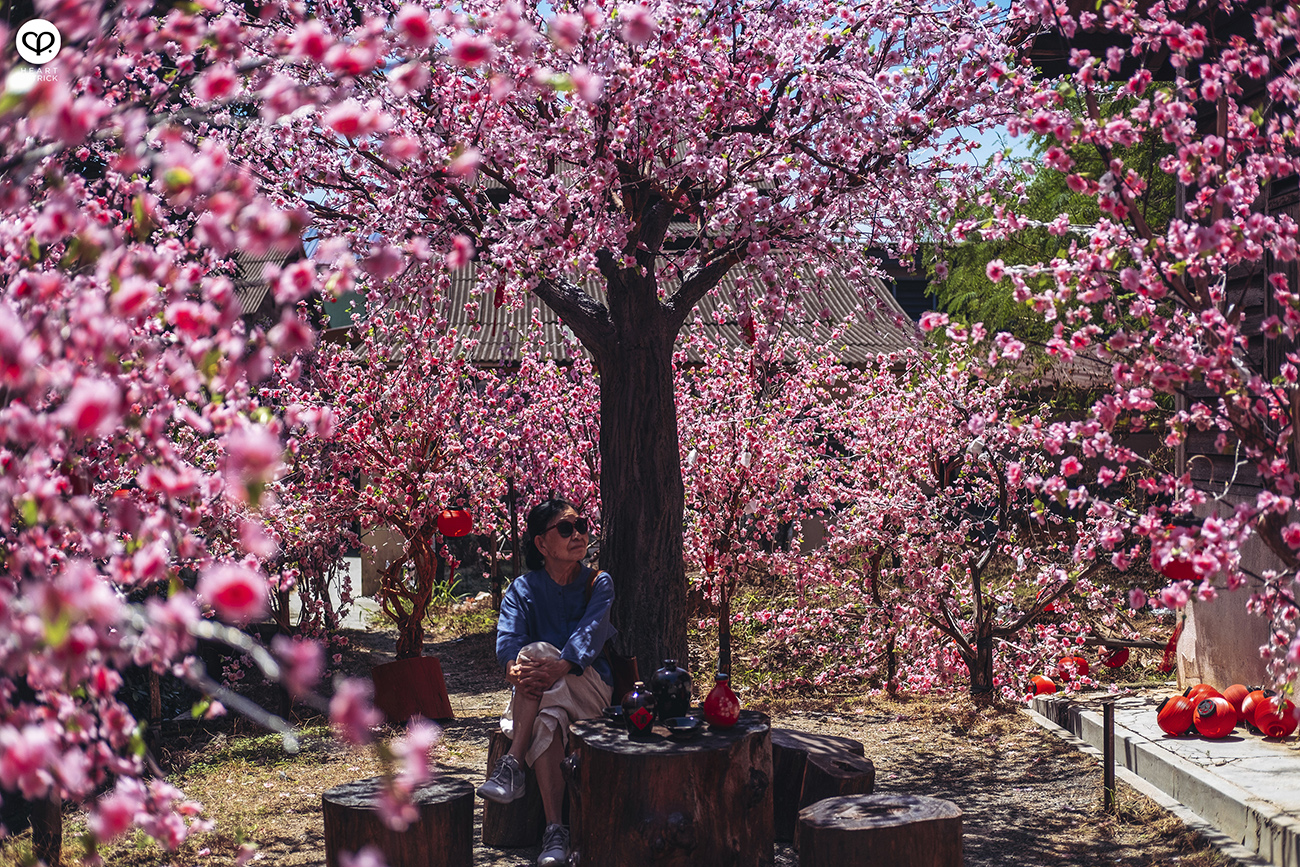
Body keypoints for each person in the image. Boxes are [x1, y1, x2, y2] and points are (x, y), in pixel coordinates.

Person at [477, 498, 615, 867]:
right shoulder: (523, 589)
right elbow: (509, 637)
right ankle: (556, 831)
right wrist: (512, 668)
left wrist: (561, 664)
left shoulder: (598, 582)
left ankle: (513, 763)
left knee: (536, 654)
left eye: (581, 526)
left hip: (590, 687)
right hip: (543, 693)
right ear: (541, 543)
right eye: (566, 529)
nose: (578, 534)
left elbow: (590, 634)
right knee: (547, 717)